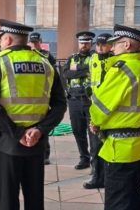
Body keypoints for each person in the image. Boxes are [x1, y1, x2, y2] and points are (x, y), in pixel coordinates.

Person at [0, 19, 66, 210]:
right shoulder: (46, 64)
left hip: (7, 143)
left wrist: (18, 133)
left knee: (7, 201)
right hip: (37, 143)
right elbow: (60, 104)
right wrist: (39, 130)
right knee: (35, 199)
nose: (1, 43)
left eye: (3, 39)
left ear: (9, 40)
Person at [90, 24, 140, 210]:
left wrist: (95, 123)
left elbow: (99, 107)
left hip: (119, 148)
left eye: (116, 44)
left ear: (127, 45)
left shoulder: (122, 70)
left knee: (117, 201)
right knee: (134, 197)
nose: (112, 48)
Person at [63, 31, 95, 170]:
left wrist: (76, 70)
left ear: (91, 43)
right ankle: (84, 158)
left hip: (90, 100)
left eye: (87, 43)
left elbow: (93, 71)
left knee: (93, 132)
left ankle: (96, 162)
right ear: (78, 43)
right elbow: (65, 74)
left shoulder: (95, 58)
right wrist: (85, 70)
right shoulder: (72, 58)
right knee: (78, 131)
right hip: (74, 100)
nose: (84, 45)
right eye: (82, 43)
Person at [83, 33, 112, 189]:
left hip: (110, 110)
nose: (100, 47)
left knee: (108, 145)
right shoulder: (92, 59)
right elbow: (89, 77)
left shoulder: (115, 61)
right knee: (95, 146)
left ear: (110, 45)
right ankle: (97, 177)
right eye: (98, 44)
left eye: (104, 44)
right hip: (94, 108)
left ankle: (108, 177)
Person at [28, 32, 56, 165]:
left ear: (40, 42)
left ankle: (45, 154)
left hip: (44, 95)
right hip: (29, 95)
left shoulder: (47, 55)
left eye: (36, 42)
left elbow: (53, 75)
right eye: (32, 43)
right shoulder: (26, 54)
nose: (34, 45)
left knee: (42, 126)